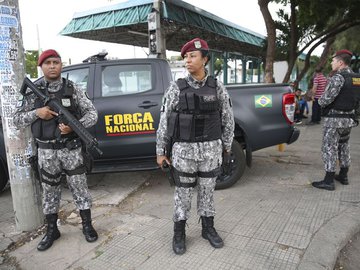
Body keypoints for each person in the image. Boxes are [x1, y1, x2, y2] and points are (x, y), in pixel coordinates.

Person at [14, 49, 99, 251]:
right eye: (48, 62)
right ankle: (52, 230)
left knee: (80, 188)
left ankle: (87, 225)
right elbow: (17, 120)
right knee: (50, 192)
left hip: (71, 150)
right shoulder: (32, 91)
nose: (52, 66)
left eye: (56, 62)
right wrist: (37, 113)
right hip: (46, 152)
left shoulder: (73, 88)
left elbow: (93, 114)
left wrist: (74, 125)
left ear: (61, 65)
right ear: (41, 66)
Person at [156, 38, 235, 255]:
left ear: (205, 59)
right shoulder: (176, 88)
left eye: (192, 56)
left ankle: (208, 228)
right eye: (185, 57)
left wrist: (226, 149)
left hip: (211, 151)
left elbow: (228, 119)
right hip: (183, 153)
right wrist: (161, 152)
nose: (187, 61)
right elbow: (164, 121)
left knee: (208, 192)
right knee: (183, 194)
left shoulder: (217, 87)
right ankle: (179, 232)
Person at [312, 49, 359, 191]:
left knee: (329, 147)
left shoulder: (338, 77)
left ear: (340, 62)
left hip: (334, 120)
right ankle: (343, 175)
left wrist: (318, 103)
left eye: (333, 60)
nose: (332, 63)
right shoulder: (357, 78)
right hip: (349, 120)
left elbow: (327, 98)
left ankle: (328, 180)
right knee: (343, 146)